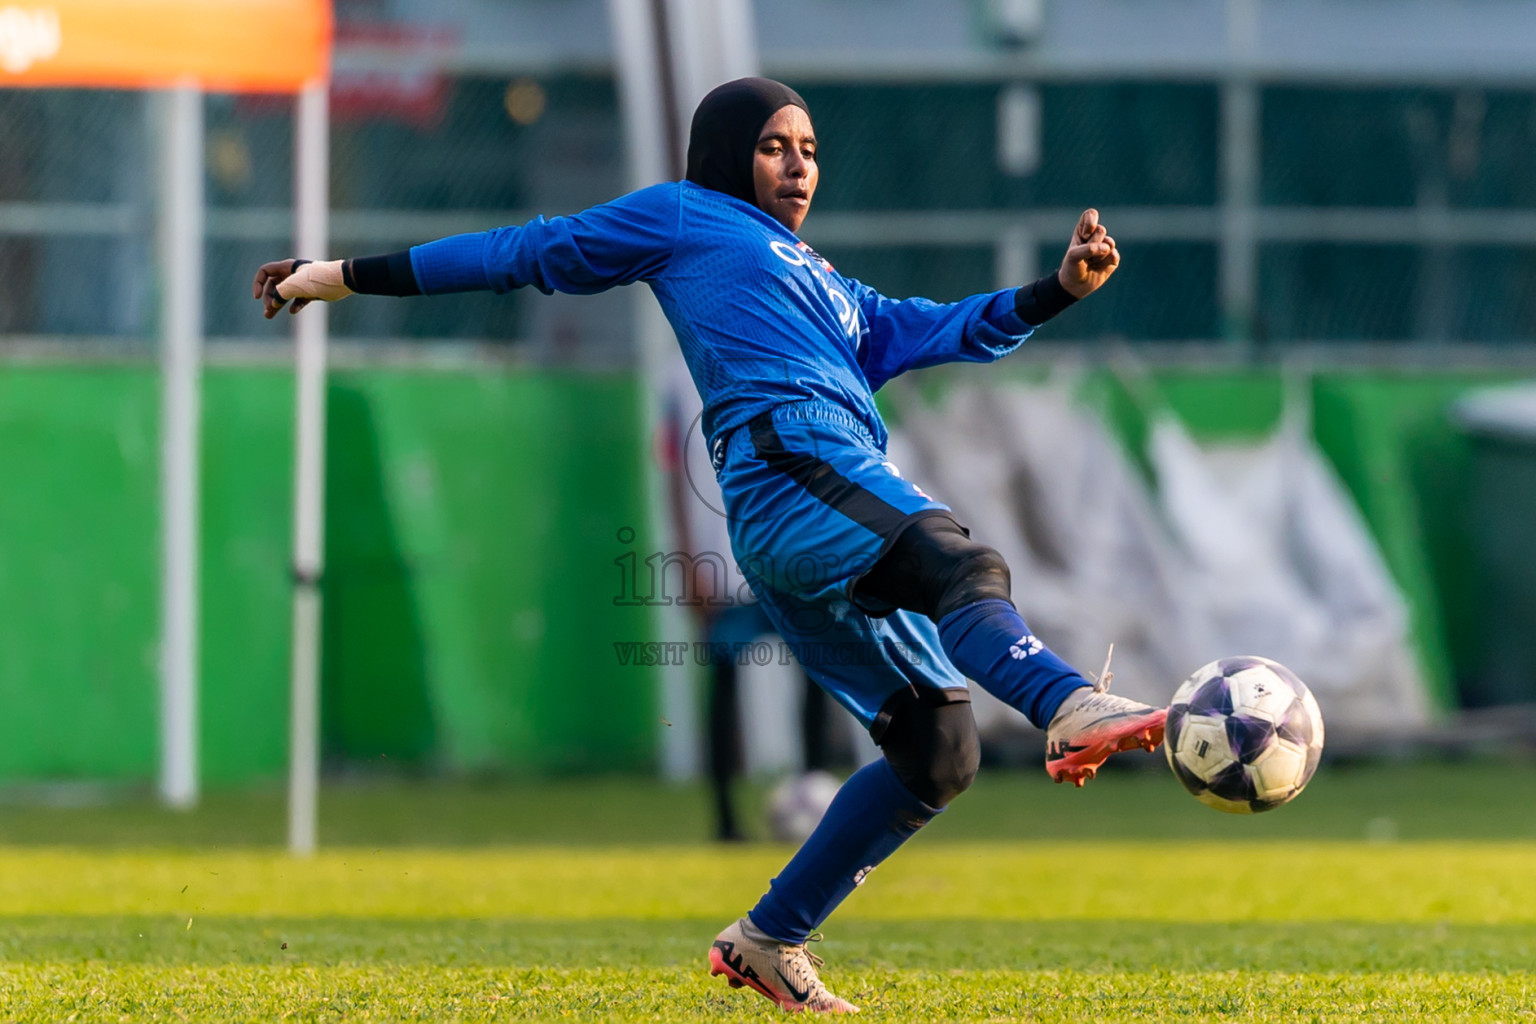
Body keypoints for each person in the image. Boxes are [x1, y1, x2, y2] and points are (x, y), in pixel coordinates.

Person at [254, 77, 1167, 1015]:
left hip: (799, 518)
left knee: (938, 752)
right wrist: (334, 274)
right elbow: (520, 252)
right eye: (776, 145)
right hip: (795, 471)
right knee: (962, 563)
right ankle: (1068, 705)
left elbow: (933, 327)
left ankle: (769, 940)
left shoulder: (824, 284)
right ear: (729, 152)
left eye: (810, 148)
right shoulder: (685, 218)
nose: (798, 165)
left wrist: (1056, 291)